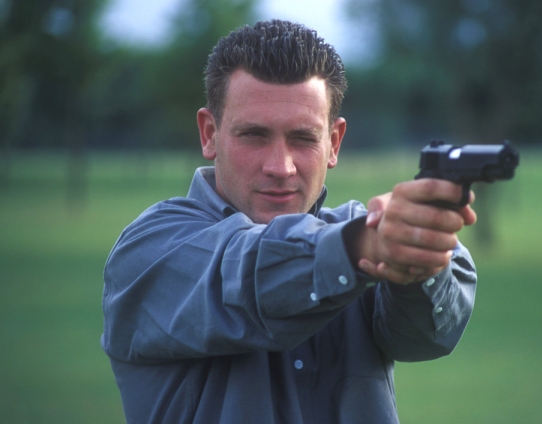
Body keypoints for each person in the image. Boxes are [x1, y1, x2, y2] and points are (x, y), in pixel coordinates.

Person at [102, 19, 477, 424]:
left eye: (302, 139)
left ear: (333, 142)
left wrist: (422, 253)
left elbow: (425, 338)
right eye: (254, 135)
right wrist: (365, 247)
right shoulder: (151, 248)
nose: (280, 167)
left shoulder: (358, 226)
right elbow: (246, 274)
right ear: (209, 133)